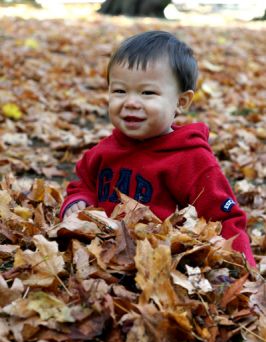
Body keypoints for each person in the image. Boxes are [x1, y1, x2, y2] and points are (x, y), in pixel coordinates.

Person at [59, 30, 256, 267]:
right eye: (119, 91)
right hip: (100, 259)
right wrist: (78, 200)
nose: (131, 102)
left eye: (148, 93)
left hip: (163, 268)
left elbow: (226, 218)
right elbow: (85, 184)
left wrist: (241, 270)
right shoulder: (105, 150)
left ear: (180, 102)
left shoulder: (191, 159)